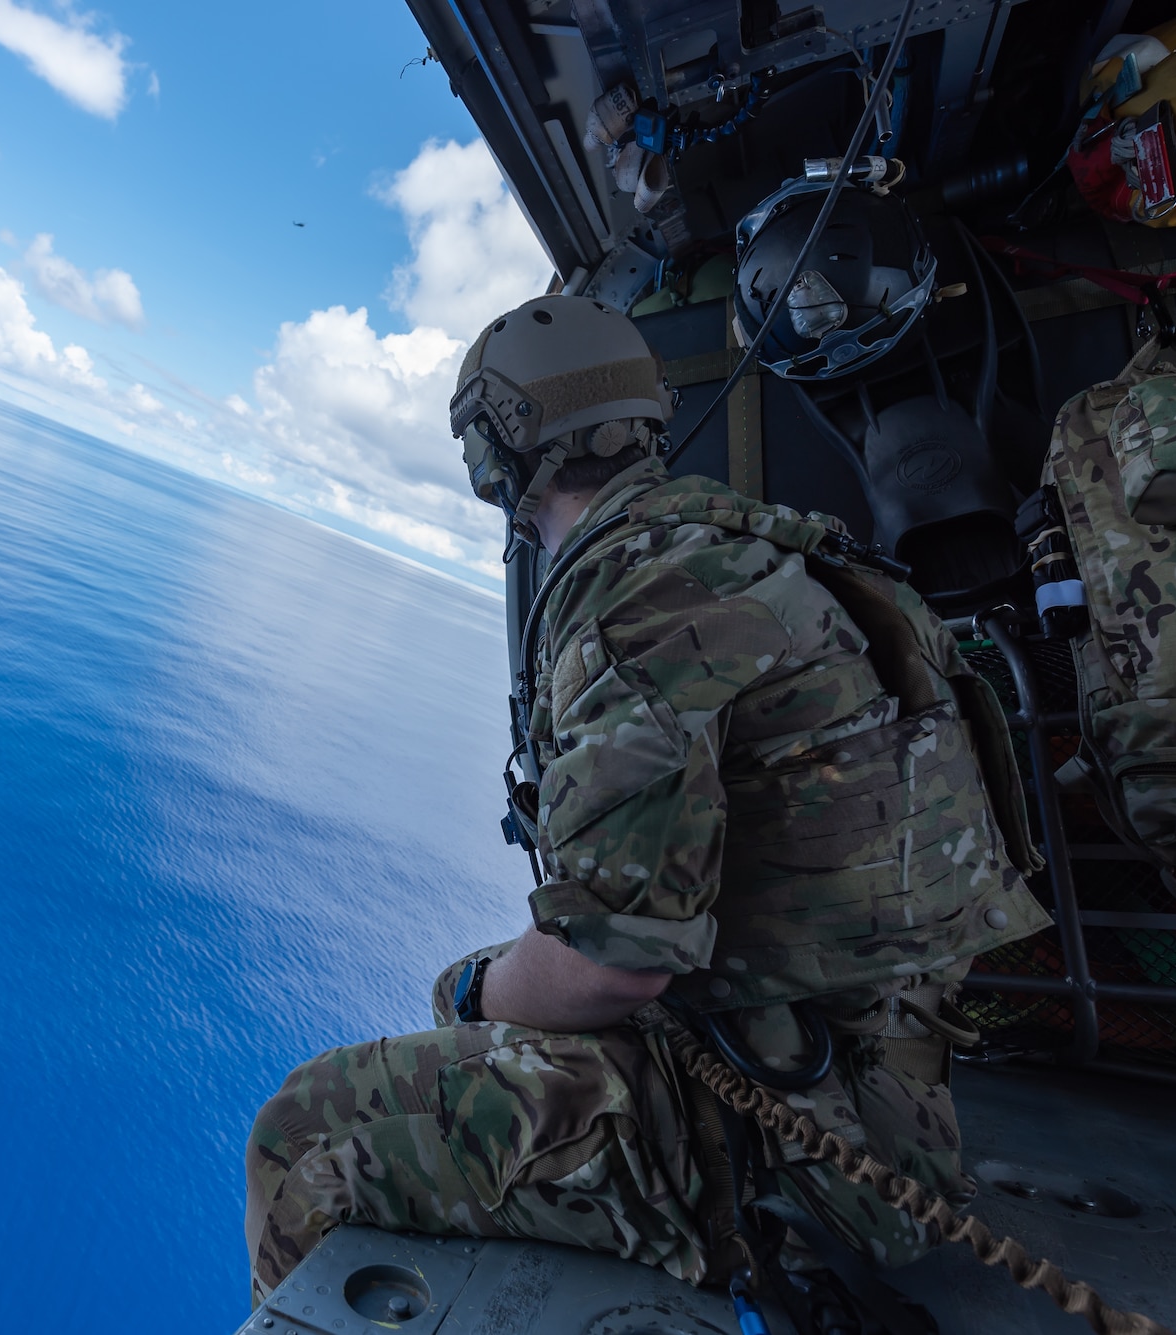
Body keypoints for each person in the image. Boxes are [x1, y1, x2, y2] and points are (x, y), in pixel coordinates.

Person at [243, 294, 1052, 1307]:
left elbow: (608, 966)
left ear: (500, 447)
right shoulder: (749, 552)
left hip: (809, 1148)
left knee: (304, 1131)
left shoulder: (637, 603)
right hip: (866, 1086)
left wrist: (473, 994)